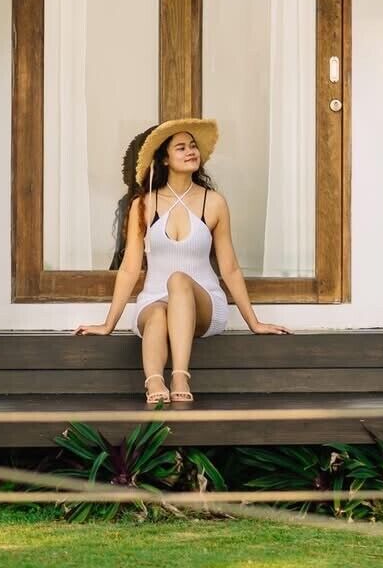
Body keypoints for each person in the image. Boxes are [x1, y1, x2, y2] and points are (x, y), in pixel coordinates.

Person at [74, 118, 288, 404]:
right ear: (164, 159)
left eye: (193, 147)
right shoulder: (144, 204)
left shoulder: (213, 203)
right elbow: (129, 268)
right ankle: (154, 383)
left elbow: (230, 268)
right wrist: (108, 324)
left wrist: (255, 322)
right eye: (181, 148)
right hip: (154, 302)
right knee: (159, 314)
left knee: (178, 280)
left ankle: (179, 375)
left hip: (203, 304)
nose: (191, 152)